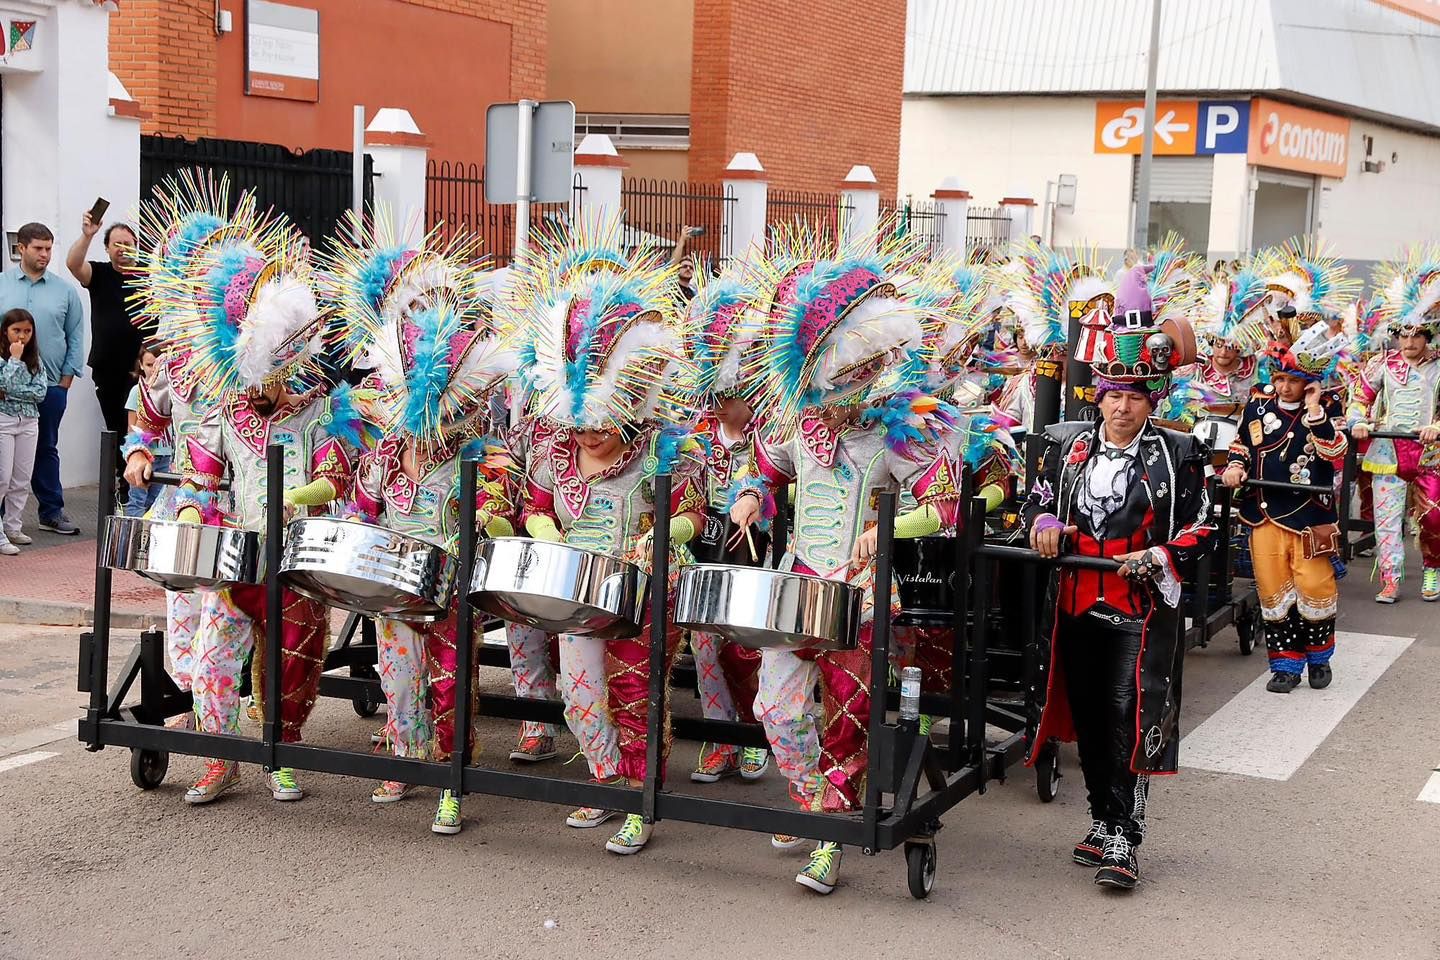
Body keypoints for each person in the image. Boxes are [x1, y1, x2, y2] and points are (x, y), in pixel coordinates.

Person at [728, 223, 971, 894]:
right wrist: (749, 498)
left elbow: (945, 505)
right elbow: (763, 469)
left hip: (865, 596)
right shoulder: (799, 423)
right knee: (776, 710)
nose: (826, 413)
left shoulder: (907, 421)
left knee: (847, 717)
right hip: (802, 585)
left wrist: (888, 531)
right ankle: (814, 803)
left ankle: (830, 836)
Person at [513, 227, 706, 857]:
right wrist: (546, 533)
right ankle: (604, 777)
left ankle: (639, 798)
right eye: (582, 424)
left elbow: (692, 515)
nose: (590, 436)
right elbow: (537, 507)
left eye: (604, 424)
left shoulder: (663, 449)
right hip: (579, 591)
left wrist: (655, 538)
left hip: (646, 586)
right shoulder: (553, 448)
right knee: (580, 693)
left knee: (634, 693)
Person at [1024, 264, 1212, 891]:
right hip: (1077, 598)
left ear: (1150, 401)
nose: (1123, 405)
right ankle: (1103, 820)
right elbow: (1039, 497)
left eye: (1135, 395)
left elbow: (1204, 525)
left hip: (1139, 607)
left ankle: (1125, 841)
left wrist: (1157, 558)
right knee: (1088, 716)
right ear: (1097, 397)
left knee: (1128, 716)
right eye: (1113, 394)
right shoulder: (1070, 447)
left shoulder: (1178, 452)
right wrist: (1047, 521)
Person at [170, 221, 363, 806]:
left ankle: (282, 752)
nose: (256, 393)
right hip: (236, 558)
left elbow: (334, 481)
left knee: (294, 664)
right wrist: (189, 515)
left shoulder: (318, 417)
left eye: (266, 382)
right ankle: (219, 758)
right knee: (215, 660)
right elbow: (200, 476)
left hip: (297, 561)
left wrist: (295, 499)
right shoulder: (226, 415)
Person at [341, 290, 517, 834]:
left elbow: (498, 500)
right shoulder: (386, 453)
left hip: (448, 588)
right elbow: (362, 506)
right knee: (398, 679)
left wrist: (490, 515)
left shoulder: (478, 452)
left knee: (449, 682)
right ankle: (406, 756)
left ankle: (450, 776)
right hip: (393, 588)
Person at [1223, 328, 1348, 692]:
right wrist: (1234, 466)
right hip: (1263, 512)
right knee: (1273, 592)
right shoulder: (1258, 405)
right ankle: (1285, 666)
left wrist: (1313, 409)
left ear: (1310, 382)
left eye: (1293, 381)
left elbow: (1335, 453)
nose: (1283, 387)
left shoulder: (1327, 409)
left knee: (1314, 586)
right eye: (1279, 379)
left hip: (1309, 517)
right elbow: (1241, 443)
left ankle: (1319, 658)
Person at [683, 268, 769, 784]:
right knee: (703, 642)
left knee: (747, 645)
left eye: (726, 392)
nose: (716, 403)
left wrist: (754, 499)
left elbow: (779, 483)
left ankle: (755, 730)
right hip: (706, 550)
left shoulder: (774, 429)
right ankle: (721, 734)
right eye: (712, 393)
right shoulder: (694, 429)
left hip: (761, 552)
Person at [1347, 253, 1440, 602]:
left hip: (1430, 452)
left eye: (1417, 336)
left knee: (1433, 518)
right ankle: (1391, 577)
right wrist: (1358, 421)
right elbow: (1359, 398)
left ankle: (1433, 567)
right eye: (1404, 335)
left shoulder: (1438, 367)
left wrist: (1436, 425)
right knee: (1386, 522)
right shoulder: (1381, 365)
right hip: (1387, 450)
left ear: (1428, 336)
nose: (1410, 342)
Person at [0, 222, 85, 535]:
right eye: (38, 248)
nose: (45, 254)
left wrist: (66, 379)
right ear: (21, 248)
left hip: (48, 387)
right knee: (2, 453)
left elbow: (76, 334)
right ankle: (3, 520)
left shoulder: (65, 290)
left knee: (46, 448)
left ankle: (51, 511)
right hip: (5, 389)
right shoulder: (2, 285)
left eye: (49, 248)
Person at [67, 215, 149, 440]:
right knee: (115, 425)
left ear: (136, 246)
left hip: (144, 367)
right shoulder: (100, 274)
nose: (122, 249)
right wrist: (87, 235)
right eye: (116, 244)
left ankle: (138, 472)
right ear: (107, 248)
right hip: (107, 368)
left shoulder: (150, 275)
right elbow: (73, 265)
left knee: (141, 426)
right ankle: (121, 473)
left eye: (128, 244)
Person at [0, 309, 48, 555]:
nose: (21, 336)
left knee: (21, 479)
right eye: (16, 330)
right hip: (4, 421)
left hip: (29, 421)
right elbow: (3, 385)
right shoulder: (5, 358)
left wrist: (12, 391)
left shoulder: (36, 359)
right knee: (2, 478)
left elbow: (40, 393)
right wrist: (14, 360)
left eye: (27, 331)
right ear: (5, 331)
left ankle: (13, 526)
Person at [122, 345, 166, 518]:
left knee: (159, 500)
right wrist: (134, 453)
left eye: (158, 365)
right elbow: (132, 427)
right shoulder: (137, 391)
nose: (154, 370)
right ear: (140, 365)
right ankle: (135, 539)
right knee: (137, 498)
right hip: (145, 454)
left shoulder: (171, 390)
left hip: (166, 454)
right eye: (149, 365)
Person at [669, 225, 702, 302]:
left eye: (691, 267)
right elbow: (672, 265)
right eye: (684, 266)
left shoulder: (694, 293)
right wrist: (682, 239)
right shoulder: (673, 288)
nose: (688, 268)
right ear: (677, 269)